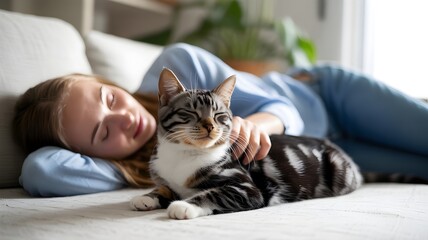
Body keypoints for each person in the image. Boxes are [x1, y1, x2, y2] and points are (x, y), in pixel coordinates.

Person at [13, 43, 428, 197]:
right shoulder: (156, 167)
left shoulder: (177, 67)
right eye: (103, 132)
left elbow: (287, 111)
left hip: (328, 99)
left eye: (110, 98)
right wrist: (119, 165)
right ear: (90, 156)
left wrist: (254, 125)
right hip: (330, 160)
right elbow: (41, 171)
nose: (125, 119)